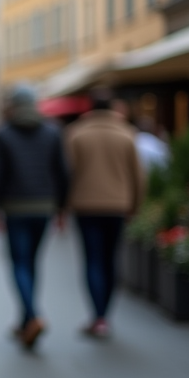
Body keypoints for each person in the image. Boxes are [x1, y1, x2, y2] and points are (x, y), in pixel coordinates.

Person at [0, 85, 69, 350]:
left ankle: (32, 316)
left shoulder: (4, 134)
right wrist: (61, 208)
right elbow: (63, 173)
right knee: (32, 263)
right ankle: (25, 321)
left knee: (19, 263)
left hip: (15, 207)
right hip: (43, 206)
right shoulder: (53, 132)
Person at [65, 88, 147, 339]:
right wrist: (135, 205)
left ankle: (97, 315)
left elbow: (67, 173)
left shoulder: (76, 134)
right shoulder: (127, 134)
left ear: (90, 107)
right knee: (111, 259)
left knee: (92, 260)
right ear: (113, 107)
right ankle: (106, 316)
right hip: (118, 206)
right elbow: (138, 176)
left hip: (85, 205)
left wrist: (64, 204)